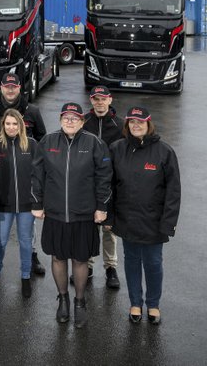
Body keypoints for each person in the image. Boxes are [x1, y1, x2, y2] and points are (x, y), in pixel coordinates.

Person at [31, 102, 112, 329]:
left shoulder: (95, 143)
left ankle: (79, 301)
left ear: (82, 121)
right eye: (66, 117)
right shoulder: (47, 142)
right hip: (55, 213)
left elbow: (104, 178)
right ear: (60, 119)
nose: (69, 121)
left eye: (74, 117)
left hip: (83, 214)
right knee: (58, 257)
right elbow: (37, 175)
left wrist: (101, 207)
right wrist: (36, 203)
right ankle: (63, 299)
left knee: (80, 258)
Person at [107, 106, 181, 325]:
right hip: (127, 220)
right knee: (131, 261)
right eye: (132, 122)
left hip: (154, 223)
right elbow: (109, 186)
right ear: (127, 125)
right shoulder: (117, 149)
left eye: (140, 122)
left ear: (149, 124)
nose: (136, 125)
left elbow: (173, 191)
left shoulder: (164, 151)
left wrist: (168, 223)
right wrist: (110, 217)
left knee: (153, 263)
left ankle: (154, 304)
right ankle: (135, 303)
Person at [0, 72, 47, 277]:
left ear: (20, 88)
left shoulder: (32, 112)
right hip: (2, 185)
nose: (10, 90)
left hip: (25, 186)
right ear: (1, 87)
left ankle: (32, 258)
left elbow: (41, 140)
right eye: (7, 86)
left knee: (28, 235)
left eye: (14, 86)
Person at [0, 108, 38, 299]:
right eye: (8, 124)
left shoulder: (32, 145)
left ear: (21, 125)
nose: (11, 127)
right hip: (3, 206)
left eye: (15, 124)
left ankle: (25, 277)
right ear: (3, 125)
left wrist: (37, 200)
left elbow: (39, 175)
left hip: (26, 206)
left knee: (26, 242)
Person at [81, 85, 123, 289]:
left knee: (109, 229)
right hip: (88, 185)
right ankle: (87, 266)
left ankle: (111, 268)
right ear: (91, 100)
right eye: (96, 99)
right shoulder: (84, 122)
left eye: (103, 99)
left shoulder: (119, 125)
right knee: (90, 227)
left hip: (111, 185)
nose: (99, 102)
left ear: (110, 100)